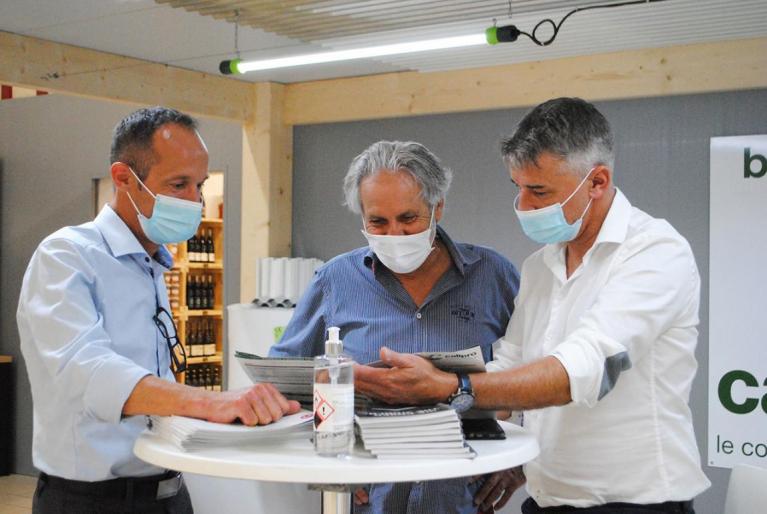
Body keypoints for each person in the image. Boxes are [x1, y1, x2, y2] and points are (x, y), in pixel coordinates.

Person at [356, 98, 711, 513]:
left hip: (635, 504)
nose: (524, 206)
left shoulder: (654, 252)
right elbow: (509, 368)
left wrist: (451, 386)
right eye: (519, 188)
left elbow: (582, 371)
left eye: (539, 191)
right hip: (546, 500)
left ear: (597, 182)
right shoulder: (541, 265)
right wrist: (412, 407)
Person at [17, 106, 300, 514]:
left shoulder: (153, 263)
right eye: (179, 184)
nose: (195, 200)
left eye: (199, 185)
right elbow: (88, 372)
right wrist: (210, 402)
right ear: (123, 179)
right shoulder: (66, 257)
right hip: (93, 502)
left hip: (169, 494)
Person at [270, 140, 521, 514]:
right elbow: (282, 381)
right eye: (378, 222)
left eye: (408, 219)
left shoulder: (493, 275)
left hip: (462, 497)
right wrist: (330, 457)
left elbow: (540, 368)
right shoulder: (335, 280)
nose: (395, 235)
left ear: (438, 207)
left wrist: (521, 462)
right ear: (362, 218)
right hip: (371, 497)